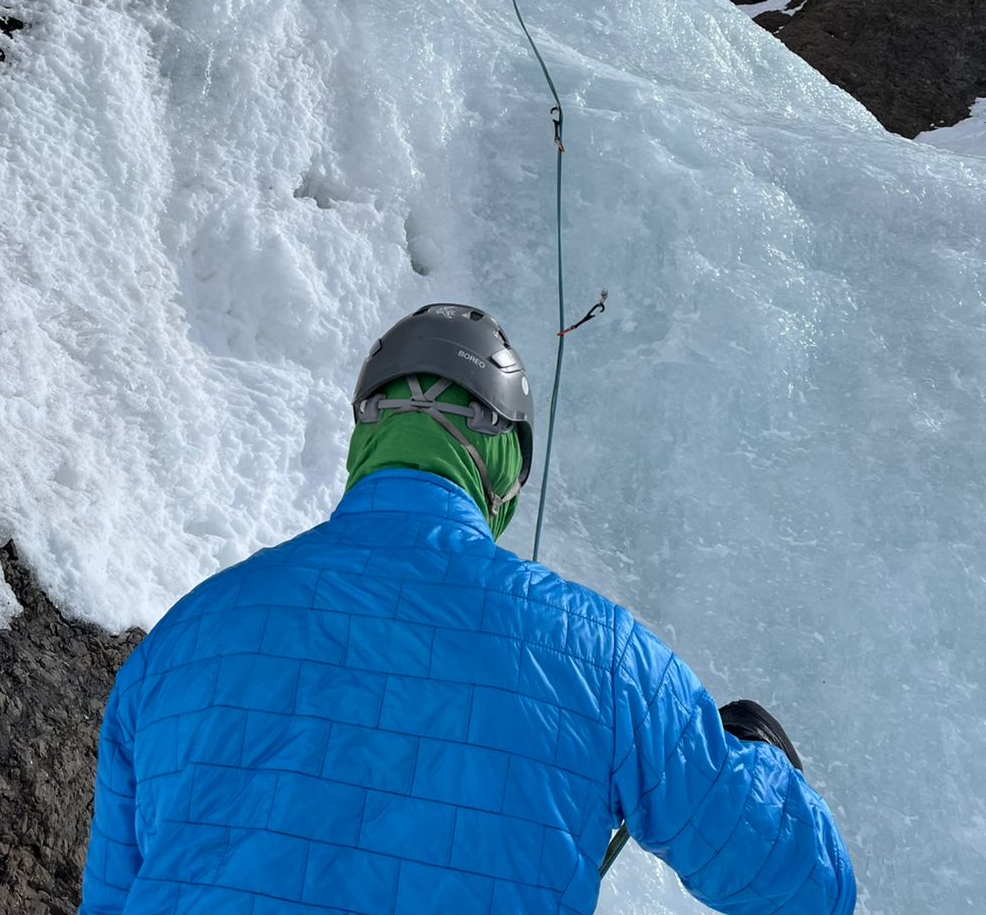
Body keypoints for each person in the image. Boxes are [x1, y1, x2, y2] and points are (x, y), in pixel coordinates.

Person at [80, 303, 856, 914]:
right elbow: (799, 888)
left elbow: (113, 896)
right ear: (504, 465)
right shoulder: (604, 656)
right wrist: (761, 769)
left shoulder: (182, 642)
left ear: (366, 441)